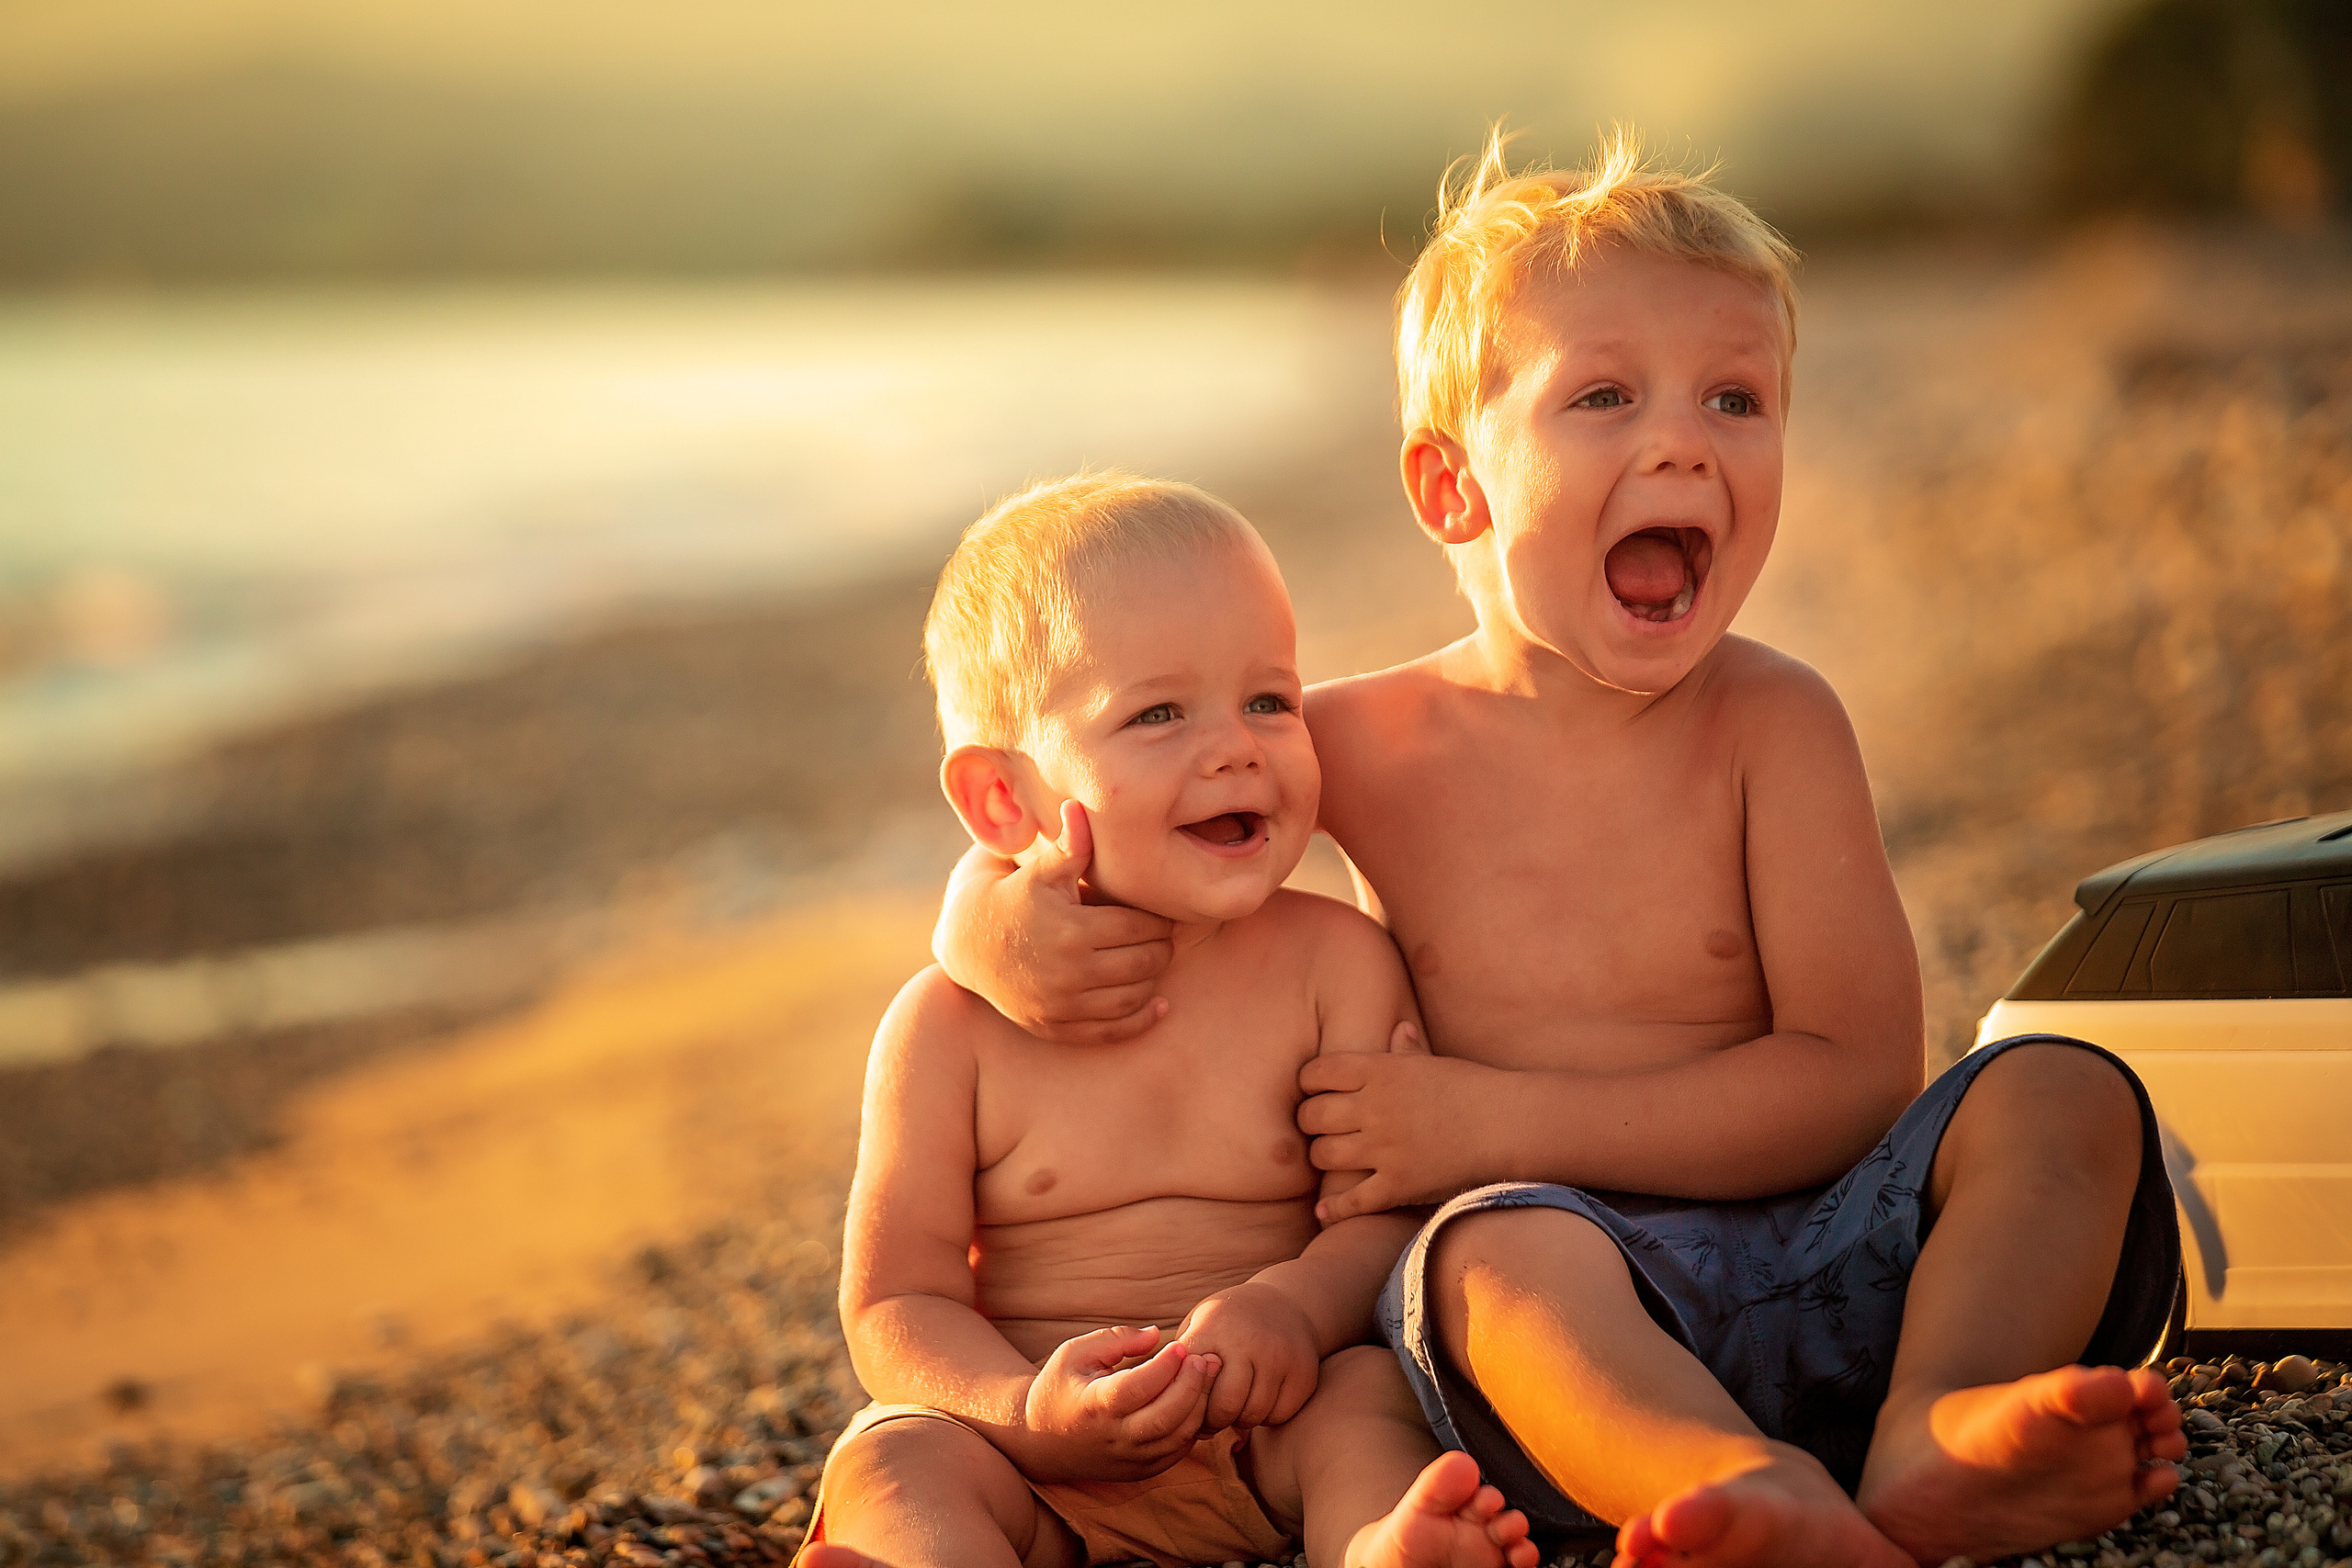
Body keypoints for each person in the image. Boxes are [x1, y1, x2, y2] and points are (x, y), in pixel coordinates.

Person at [931, 133, 2187, 1568]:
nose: (1684, 441)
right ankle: (1736, 1483)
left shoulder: (1776, 725)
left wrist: (1487, 1119)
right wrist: (988, 921)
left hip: (1846, 1250)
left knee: (2061, 1085)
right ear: (1452, 487)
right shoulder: (1358, 742)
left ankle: (1937, 1424)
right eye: (1605, 396)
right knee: (1478, 1252)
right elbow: (1143, 819)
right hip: (1572, 1330)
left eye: (1737, 398)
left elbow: (1857, 1078)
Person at [798, 473, 1538, 1568]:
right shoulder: (946, 1032)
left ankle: (1378, 1545)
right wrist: (1021, 1411)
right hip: (1037, 1468)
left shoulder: (1333, 963)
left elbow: (1389, 1208)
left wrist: (1292, 1312)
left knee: (1368, 1399)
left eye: (1270, 701)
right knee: (895, 1457)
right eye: (1156, 714)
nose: (1236, 747)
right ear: (1006, 800)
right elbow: (895, 1300)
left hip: (1268, 1429)